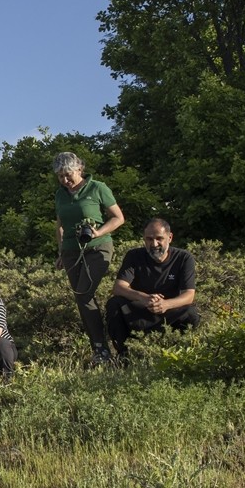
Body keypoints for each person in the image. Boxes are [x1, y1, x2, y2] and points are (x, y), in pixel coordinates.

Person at [53, 151, 125, 365]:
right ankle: (99, 349)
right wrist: (60, 252)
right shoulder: (60, 194)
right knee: (81, 299)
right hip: (70, 251)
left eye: (68, 175)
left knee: (84, 293)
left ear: (79, 170)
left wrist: (98, 232)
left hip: (97, 247)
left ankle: (104, 348)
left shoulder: (98, 188)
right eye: (60, 176)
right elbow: (59, 225)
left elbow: (118, 218)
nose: (65, 180)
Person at [106, 218, 200, 359]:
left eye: (159, 239)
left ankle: (179, 354)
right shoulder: (134, 256)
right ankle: (124, 356)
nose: (154, 244)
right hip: (140, 313)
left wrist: (166, 304)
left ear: (170, 237)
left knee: (191, 313)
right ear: (144, 239)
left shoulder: (184, 258)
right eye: (149, 239)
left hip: (169, 315)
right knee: (114, 304)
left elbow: (189, 295)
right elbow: (118, 287)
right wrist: (143, 298)